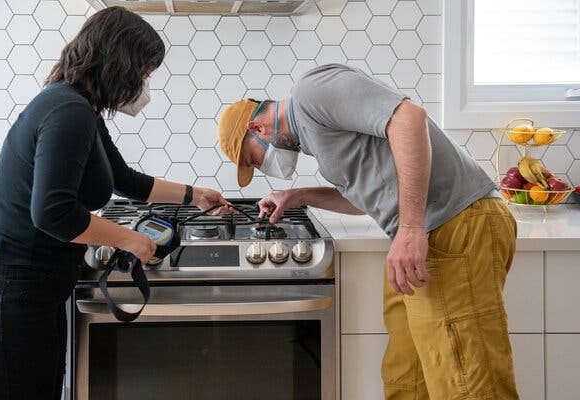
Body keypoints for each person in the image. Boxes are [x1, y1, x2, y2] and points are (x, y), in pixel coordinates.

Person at [217, 63, 519, 400]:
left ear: (256, 126)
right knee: (407, 377)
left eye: (254, 159)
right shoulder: (317, 140)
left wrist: (410, 227)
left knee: (467, 382)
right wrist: (298, 196)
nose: (263, 167)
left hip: (455, 224)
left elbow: (408, 119)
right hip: (426, 237)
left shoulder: (309, 93)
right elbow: (365, 199)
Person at [0, 7, 230, 399]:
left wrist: (193, 195)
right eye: (144, 73)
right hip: (13, 294)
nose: (145, 85)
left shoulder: (80, 109)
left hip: (31, 288)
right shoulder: (68, 112)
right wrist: (125, 238)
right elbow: (52, 212)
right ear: (121, 64)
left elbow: (123, 180)